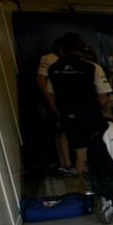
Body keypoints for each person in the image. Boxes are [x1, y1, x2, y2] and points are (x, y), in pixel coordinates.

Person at [47, 32, 112, 190]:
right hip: (91, 118)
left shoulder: (53, 69)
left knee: (80, 155)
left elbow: (52, 95)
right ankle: (105, 191)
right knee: (100, 154)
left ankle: (87, 193)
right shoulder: (93, 67)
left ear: (61, 49)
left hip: (69, 118)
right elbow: (103, 96)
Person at [37, 36, 72, 174]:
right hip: (56, 100)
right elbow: (41, 79)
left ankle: (64, 163)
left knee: (62, 130)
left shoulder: (73, 59)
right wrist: (51, 100)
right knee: (62, 130)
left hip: (67, 100)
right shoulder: (48, 58)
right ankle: (66, 163)